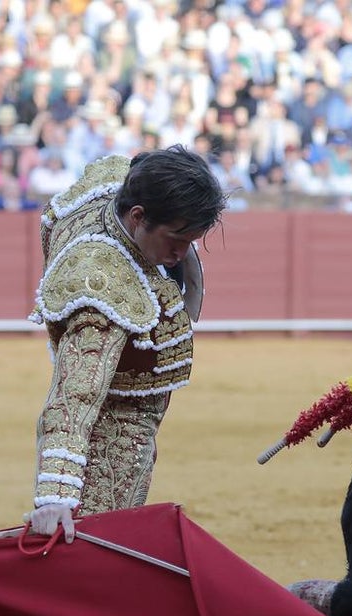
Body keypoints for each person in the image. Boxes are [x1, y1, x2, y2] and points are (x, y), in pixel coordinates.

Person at [26, 145, 227, 542]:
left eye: (192, 240)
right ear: (138, 217)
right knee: (97, 551)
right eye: (175, 238)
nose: (180, 254)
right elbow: (74, 398)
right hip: (112, 435)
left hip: (130, 407)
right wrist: (56, 496)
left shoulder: (118, 183)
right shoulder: (101, 290)